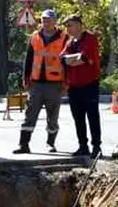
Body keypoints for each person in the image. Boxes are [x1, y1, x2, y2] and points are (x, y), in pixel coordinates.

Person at [15, 9, 67, 154]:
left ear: (54, 21)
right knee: (30, 114)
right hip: (36, 83)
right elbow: (28, 59)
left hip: (55, 83)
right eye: (44, 20)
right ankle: (23, 145)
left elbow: (66, 62)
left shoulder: (64, 38)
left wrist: (66, 82)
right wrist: (25, 79)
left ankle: (50, 144)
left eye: (49, 20)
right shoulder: (34, 37)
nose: (46, 22)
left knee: (53, 116)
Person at [60, 14, 102, 157]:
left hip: (89, 84)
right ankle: (82, 146)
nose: (68, 29)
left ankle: (96, 147)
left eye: (70, 25)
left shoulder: (90, 38)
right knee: (78, 118)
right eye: (66, 26)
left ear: (78, 25)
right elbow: (62, 59)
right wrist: (73, 58)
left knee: (92, 116)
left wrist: (72, 59)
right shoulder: (70, 42)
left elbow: (84, 59)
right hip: (74, 86)